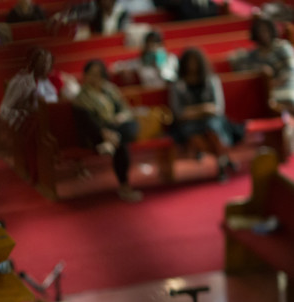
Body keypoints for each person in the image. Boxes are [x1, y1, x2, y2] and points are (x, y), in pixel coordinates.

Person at [73, 59, 143, 202]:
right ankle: (124, 187)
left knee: (131, 126)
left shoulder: (110, 90)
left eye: (98, 75)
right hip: (96, 134)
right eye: (91, 75)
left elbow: (124, 109)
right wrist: (104, 132)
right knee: (121, 144)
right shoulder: (80, 98)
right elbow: (87, 124)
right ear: (85, 76)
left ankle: (113, 142)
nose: (94, 78)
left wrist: (121, 118)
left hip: (116, 129)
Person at [170, 48, 238, 180]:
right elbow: (178, 112)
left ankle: (221, 162)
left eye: (195, 61)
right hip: (189, 123)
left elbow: (218, 108)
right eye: (189, 62)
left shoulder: (211, 79)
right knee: (195, 134)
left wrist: (193, 111)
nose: (192, 65)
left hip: (211, 120)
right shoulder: (177, 85)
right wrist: (203, 109)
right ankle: (223, 160)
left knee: (213, 128)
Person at [0, 48, 65, 129]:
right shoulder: (22, 83)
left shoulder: (54, 78)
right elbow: (5, 110)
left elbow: (62, 98)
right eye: (41, 62)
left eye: (47, 62)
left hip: (52, 115)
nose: (45, 65)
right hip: (33, 120)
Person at [238, 17, 294, 112]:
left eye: (265, 30)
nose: (263, 34)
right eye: (259, 31)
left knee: (289, 99)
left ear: (271, 30)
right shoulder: (252, 55)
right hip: (265, 92)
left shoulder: (282, 47)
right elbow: (245, 73)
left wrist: (272, 83)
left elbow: (290, 71)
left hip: (286, 85)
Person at [111, 30, 178, 87]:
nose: (153, 50)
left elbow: (172, 79)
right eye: (150, 46)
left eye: (156, 46)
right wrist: (124, 69)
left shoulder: (171, 59)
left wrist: (159, 65)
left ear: (162, 46)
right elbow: (115, 67)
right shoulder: (141, 62)